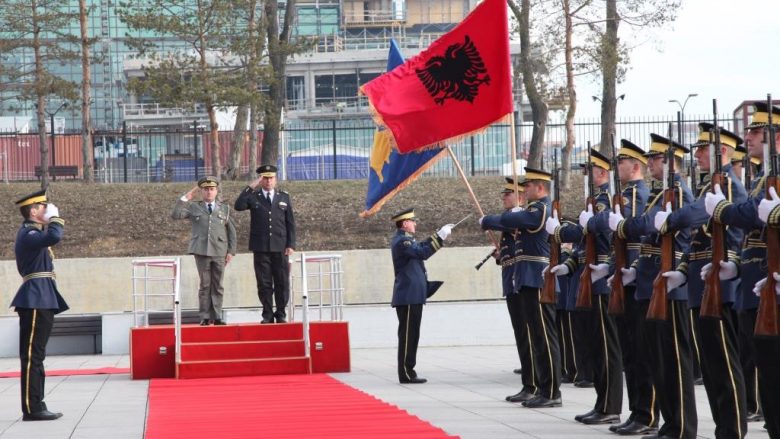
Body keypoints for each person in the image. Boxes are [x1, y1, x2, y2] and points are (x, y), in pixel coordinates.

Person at [656, 123, 748, 439]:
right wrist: (683, 268)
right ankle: (724, 428)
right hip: (701, 285)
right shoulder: (712, 187)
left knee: (724, 366)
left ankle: (732, 431)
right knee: (711, 368)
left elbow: (697, 217)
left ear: (721, 151)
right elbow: (697, 239)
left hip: (722, 287)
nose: (696, 155)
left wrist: (670, 219)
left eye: (701, 149)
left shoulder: (730, 188)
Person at [610, 134, 696, 439]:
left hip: (669, 283)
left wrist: (622, 225)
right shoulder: (662, 196)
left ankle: (681, 425)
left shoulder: (680, 194)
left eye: (656, 159)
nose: (650, 164)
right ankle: (670, 423)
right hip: (651, 280)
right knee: (657, 359)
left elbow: (651, 227)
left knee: (673, 360)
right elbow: (648, 232)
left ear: (671, 163)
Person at [706, 102, 780, 437]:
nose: (747, 137)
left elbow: (751, 215)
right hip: (755, 283)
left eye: (756, 131)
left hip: (771, 282)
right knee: (766, 374)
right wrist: (734, 264)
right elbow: (751, 234)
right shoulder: (761, 178)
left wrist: (722, 209)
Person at [547, 148, 623, 425]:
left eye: (589, 170)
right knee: (595, 347)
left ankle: (610, 406)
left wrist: (558, 231)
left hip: (602, 280)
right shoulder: (593, 202)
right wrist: (569, 263)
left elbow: (588, 231)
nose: (585, 174)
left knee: (607, 348)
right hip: (589, 277)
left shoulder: (604, 201)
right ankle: (602, 403)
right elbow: (583, 244)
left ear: (602, 173)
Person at [497, 168, 562, 408]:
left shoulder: (540, 209)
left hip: (538, 280)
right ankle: (541, 388)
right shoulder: (533, 209)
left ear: (540, 187)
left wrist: (492, 219)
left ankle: (551, 391)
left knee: (545, 337)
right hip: (527, 279)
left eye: (528, 186)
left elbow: (506, 219)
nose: (525, 190)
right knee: (536, 337)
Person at [11, 189, 68, 421]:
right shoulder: (28, 233)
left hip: (42, 296)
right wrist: (55, 219)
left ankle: (37, 404)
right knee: (32, 356)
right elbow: (54, 237)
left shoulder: (34, 232)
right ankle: (32, 408)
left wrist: (51, 220)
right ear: (34, 211)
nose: (48, 209)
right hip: (34, 297)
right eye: (44, 207)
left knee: (37, 355)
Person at [481, 178, 539, 402]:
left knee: (528, 335)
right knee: (521, 335)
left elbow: (502, 223)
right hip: (512, 281)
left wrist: (485, 220)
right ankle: (529, 383)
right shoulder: (513, 219)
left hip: (521, 281)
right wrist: (500, 256)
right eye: (504, 194)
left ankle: (533, 383)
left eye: (508, 193)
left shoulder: (519, 217)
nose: (504, 197)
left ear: (521, 197)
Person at [390, 208, 452, 384]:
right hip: (408, 296)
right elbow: (422, 253)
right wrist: (439, 237)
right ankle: (406, 373)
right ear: (405, 224)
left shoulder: (407, 241)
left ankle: (409, 370)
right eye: (412, 221)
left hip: (413, 296)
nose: (415, 223)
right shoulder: (402, 242)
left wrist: (437, 236)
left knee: (412, 335)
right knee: (408, 335)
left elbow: (421, 247)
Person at [235, 164, 296, 324]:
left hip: (280, 247)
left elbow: (290, 223)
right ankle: (267, 314)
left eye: (271, 178)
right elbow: (238, 206)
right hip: (260, 247)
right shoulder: (254, 196)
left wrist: (291, 244)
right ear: (261, 180)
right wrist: (250, 186)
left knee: (282, 281)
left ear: (275, 179)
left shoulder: (284, 197)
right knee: (264, 283)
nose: (268, 181)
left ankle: (281, 313)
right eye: (265, 178)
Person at [172, 176, 237, 326]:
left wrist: (231, 251)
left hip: (220, 251)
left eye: (212, 189)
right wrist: (184, 199)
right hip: (201, 251)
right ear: (202, 191)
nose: (209, 192)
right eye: (206, 189)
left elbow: (231, 231)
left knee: (218, 285)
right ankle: (205, 316)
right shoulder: (195, 207)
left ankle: (217, 315)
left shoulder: (224, 208)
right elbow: (176, 215)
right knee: (205, 285)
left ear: (216, 191)